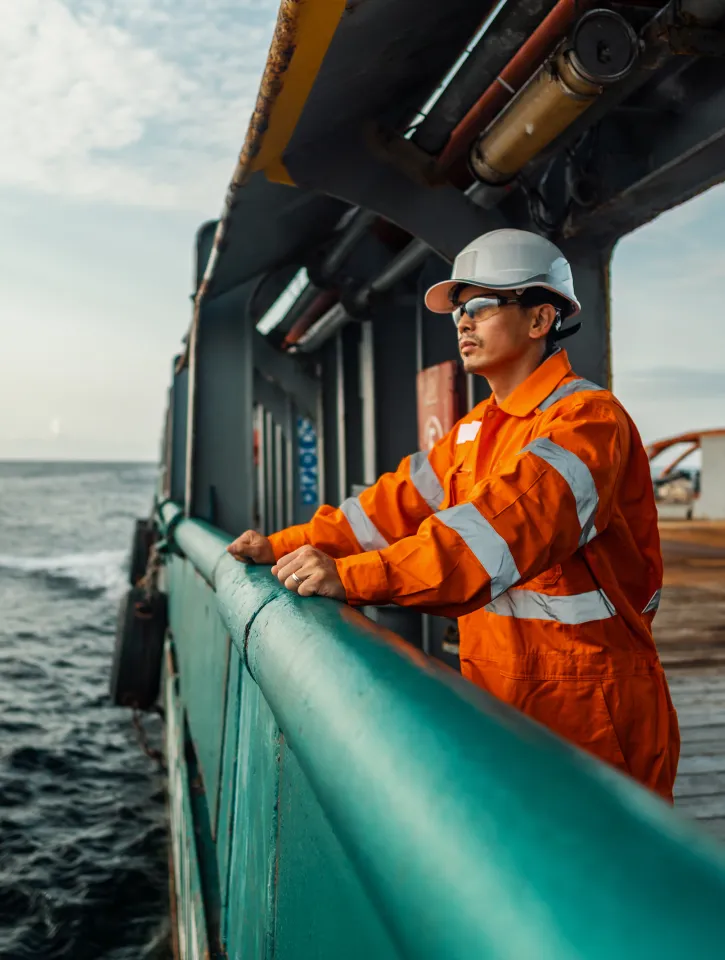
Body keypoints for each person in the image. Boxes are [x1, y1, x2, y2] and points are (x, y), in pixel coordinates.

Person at [228, 228, 680, 801]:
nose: (463, 322)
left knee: (606, 882)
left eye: (483, 306)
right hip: (502, 701)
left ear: (541, 320)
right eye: (459, 311)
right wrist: (284, 545)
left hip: (590, 713)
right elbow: (382, 511)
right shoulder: (476, 430)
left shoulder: (586, 423)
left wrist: (351, 577)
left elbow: (498, 534)